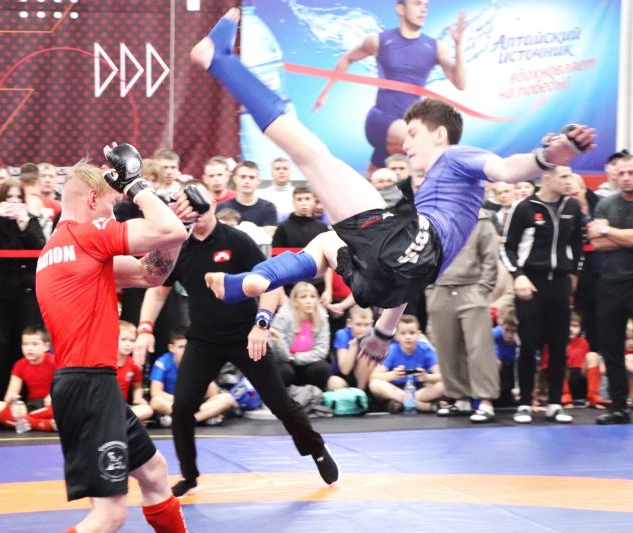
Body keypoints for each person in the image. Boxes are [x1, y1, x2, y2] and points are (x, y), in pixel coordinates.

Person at [194, 8, 595, 364]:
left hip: (405, 255)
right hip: (389, 284)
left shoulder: (456, 157)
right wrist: (383, 334)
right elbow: (408, 272)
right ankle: (256, 279)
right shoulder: (433, 200)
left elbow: (507, 168)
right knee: (325, 242)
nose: (405, 144)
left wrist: (549, 157)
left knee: (313, 155)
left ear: (440, 135)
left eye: (413, 133)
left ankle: (219, 61)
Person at [134, 180, 339, 499]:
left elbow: (272, 282)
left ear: (213, 205)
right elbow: (158, 291)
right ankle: (189, 475)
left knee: (279, 402)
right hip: (203, 339)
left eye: (200, 206)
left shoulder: (236, 240)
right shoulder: (179, 247)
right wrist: (145, 328)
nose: (196, 214)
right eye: (188, 208)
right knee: (182, 407)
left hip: (245, 335)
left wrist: (261, 324)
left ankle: (317, 450)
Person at [35, 144, 192, 533]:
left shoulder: (61, 247)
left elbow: (149, 274)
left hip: (87, 383)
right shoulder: (87, 234)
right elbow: (166, 231)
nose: (114, 215)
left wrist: (175, 228)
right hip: (90, 385)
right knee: (110, 515)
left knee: (154, 472)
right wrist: (135, 185)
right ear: (92, 200)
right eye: (110, 205)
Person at [313, 0, 467, 175]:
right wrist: (324, 93)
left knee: (376, 178)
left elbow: (460, 83)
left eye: (426, 5)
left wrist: (458, 45)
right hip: (381, 118)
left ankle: (371, 182)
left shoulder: (434, 47)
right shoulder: (380, 41)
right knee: (425, 145)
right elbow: (347, 58)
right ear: (401, 9)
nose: (423, 10)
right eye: (417, 4)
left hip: (408, 122)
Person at [501, 165, 585, 424]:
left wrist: (574, 274)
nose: (569, 180)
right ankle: (524, 403)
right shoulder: (525, 207)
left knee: (559, 345)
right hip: (531, 283)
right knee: (528, 345)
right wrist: (518, 276)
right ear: (547, 179)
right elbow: (507, 247)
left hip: (559, 283)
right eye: (564, 176)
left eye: (570, 175)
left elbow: (578, 243)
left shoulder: (572, 206)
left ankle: (555, 403)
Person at [428, 208, 499, 423]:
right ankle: (460, 398)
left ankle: (486, 401)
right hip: (440, 288)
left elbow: (490, 256)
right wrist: (429, 287)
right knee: (447, 348)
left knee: (479, 349)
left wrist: (483, 287)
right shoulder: (432, 218)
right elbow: (425, 254)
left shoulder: (481, 218)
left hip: (471, 287)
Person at [0, 179, 46, 400]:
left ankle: (26, 396)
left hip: (26, 294)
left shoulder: (31, 221)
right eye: (10, 197)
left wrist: (25, 226)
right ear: (1, 200)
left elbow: (40, 249)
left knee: (26, 344)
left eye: (19, 197)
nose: (14, 201)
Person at [587, 154, 633, 424]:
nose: (626, 178)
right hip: (610, 283)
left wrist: (608, 231)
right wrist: (617, 236)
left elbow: (605, 236)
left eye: (631, 172)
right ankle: (618, 406)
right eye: (622, 173)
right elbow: (597, 243)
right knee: (611, 347)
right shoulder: (605, 204)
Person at [149, 327, 236, 429]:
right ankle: (200, 418)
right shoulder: (162, 362)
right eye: (181, 347)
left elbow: (212, 394)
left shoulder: (198, 361)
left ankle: (186, 420)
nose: (185, 351)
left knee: (227, 398)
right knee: (156, 402)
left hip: (197, 405)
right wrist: (181, 400)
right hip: (173, 403)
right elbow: (155, 392)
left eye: (188, 347)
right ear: (171, 347)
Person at [368, 315, 444, 413]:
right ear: (397, 336)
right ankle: (423, 406)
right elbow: (374, 377)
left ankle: (402, 403)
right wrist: (392, 375)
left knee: (443, 385)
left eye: (412, 333)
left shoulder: (426, 349)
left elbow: (442, 376)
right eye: (403, 333)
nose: (408, 337)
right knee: (375, 384)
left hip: (419, 389)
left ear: (418, 334)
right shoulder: (392, 350)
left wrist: (427, 377)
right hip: (396, 389)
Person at [269, 282, 333, 391]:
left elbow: (321, 350)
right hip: (284, 363)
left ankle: (312, 395)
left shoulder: (322, 317)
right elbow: (277, 355)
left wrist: (295, 358)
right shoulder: (283, 317)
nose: (309, 301)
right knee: (285, 371)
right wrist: (279, 346)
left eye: (312, 297)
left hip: (305, 363)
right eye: (303, 297)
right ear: (295, 301)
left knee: (323, 368)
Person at [0, 326, 57, 432]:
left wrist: (52, 395)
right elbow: (9, 396)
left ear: (46, 346)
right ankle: (41, 424)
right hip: (33, 406)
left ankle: (26, 421)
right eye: (25, 344)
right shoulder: (20, 365)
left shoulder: (54, 361)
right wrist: (13, 399)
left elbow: (66, 386)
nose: (29, 348)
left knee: (61, 407)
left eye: (34, 344)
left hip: (51, 405)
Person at [271, 186, 330, 294]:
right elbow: (277, 263)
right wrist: (281, 293)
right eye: (299, 199)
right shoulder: (283, 228)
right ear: (293, 202)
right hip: (290, 286)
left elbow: (328, 262)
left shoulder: (322, 227)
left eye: (307, 199)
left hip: (318, 286)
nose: (303, 203)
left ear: (314, 201)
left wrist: (328, 290)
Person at [218, 161, 278, 236]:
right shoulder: (222, 207)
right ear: (235, 179)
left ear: (258, 181)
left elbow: (269, 237)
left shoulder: (268, 207)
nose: (247, 181)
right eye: (243, 177)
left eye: (251, 177)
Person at [116, 321, 154, 423]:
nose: (128, 344)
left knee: (147, 409)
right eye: (123, 339)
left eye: (132, 340)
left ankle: (122, 422)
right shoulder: (106, 362)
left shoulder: (133, 363)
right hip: (105, 406)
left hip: (123, 408)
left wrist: (138, 398)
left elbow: (138, 386)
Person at [330, 306, 374, 390]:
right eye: (358, 324)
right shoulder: (342, 334)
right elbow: (344, 370)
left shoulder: (373, 334)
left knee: (366, 356)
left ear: (372, 324)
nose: (362, 329)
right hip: (342, 375)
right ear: (349, 323)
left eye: (367, 325)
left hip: (362, 376)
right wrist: (354, 345)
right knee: (333, 382)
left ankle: (360, 392)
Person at [493, 311, 519, 407]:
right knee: (496, 363)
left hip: (515, 371)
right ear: (501, 326)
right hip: (499, 371)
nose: (509, 335)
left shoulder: (523, 338)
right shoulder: (495, 334)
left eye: (513, 331)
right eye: (506, 330)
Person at [258, 157, 295, 222]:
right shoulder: (260, 194)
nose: (281, 171)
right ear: (271, 173)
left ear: (290, 172)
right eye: (277, 169)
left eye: (285, 168)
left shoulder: (298, 194)